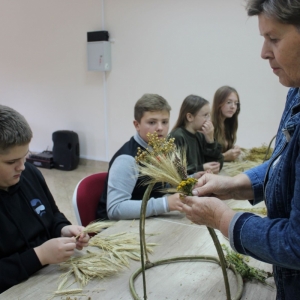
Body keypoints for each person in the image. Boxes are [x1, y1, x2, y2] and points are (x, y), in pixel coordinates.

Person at [181, 1, 300, 299]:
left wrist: (222, 219)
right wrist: (235, 185)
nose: (264, 52)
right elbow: (281, 163)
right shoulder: (296, 90)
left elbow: (296, 244)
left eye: (274, 39)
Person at [0, 105, 90, 293]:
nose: (22, 167)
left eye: (25, 156)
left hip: (51, 277)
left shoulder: (30, 173)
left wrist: (63, 229)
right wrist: (39, 255)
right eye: (11, 162)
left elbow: (52, 215)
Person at [96, 93, 203, 220]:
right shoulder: (126, 159)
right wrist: (165, 204)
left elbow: (164, 185)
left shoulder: (159, 149)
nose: (160, 128)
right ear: (136, 125)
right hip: (118, 230)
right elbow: (115, 209)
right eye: (152, 122)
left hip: (148, 220)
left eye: (165, 122)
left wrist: (192, 179)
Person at [169, 94, 223, 175]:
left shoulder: (201, 135)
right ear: (190, 117)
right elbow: (176, 172)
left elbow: (218, 162)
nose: (209, 120)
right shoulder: (177, 137)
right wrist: (202, 168)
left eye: (209, 115)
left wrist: (210, 141)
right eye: (205, 115)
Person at [211, 86, 241, 161]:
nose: (233, 107)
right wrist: (224, 156)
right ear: (218, 103)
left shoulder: (228, 124)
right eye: (229, 102)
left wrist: (233, 148)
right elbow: (202, 159)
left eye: (236, 103)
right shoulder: (208, 126)